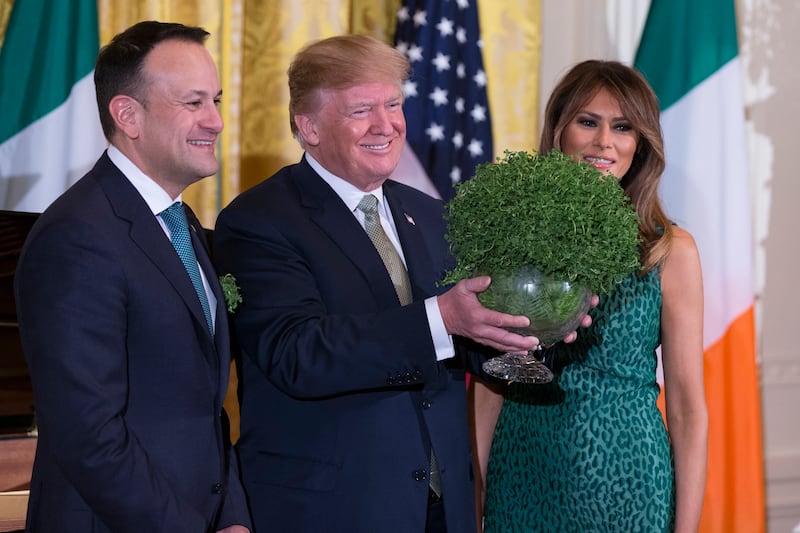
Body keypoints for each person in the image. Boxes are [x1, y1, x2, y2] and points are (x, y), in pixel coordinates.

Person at [212, 34, 588, 533]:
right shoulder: (260, 220)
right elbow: (297, 353)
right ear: (309, 126)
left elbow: (466, 344)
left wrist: (525, 330)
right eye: (361, 110)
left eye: (393, 104)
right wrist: (444, 316)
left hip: (441, 509)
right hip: (333, 511)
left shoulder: (432, 214)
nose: (385, 125)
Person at [14, 21, 251, 533]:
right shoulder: (77, 236)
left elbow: (204, 407)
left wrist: (231, 516)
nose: (216, 121)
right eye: (194, 103)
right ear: (128, 115)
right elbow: (88, 435)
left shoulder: (181, 221)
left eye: (217, 100)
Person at [472, 60, 709, 532]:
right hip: (522, 474)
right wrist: (473, 500)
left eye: (623, 127)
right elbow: (490, 382)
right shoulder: (512, 238)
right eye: (588, 122)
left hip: (630, 485)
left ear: (640, 143)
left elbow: (687, 407)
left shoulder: (669, 250)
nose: (605, 142)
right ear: (559, 131)